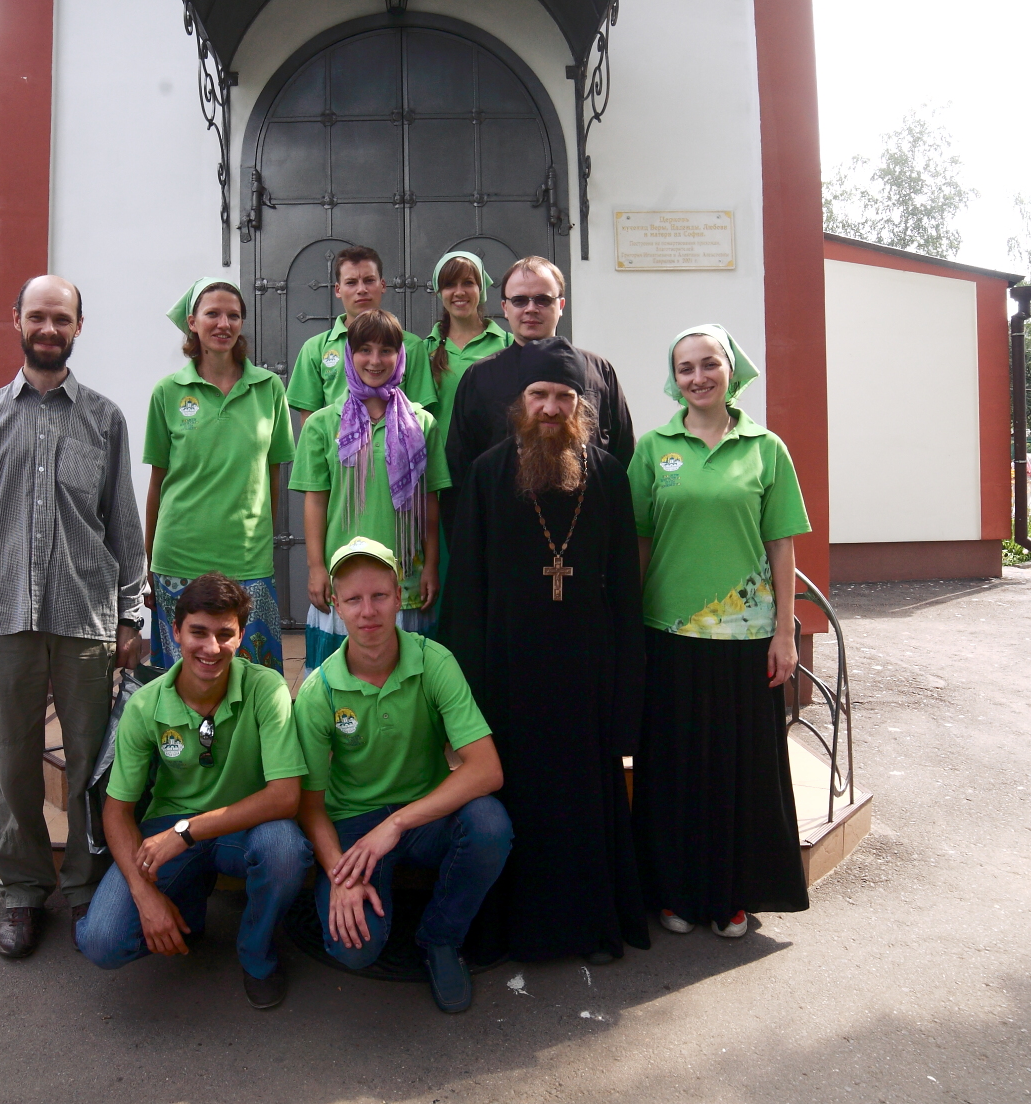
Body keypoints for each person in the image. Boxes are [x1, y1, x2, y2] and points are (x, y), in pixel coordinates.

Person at [0, 274, 146, 959]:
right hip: (2, 615)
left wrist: (130, 616)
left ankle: (85, 884)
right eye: (38, 316)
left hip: (84, 614)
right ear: (18, 321)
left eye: (61, 317)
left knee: (90, 760)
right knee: (13, 762)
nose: (49, 328)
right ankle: (24, 890)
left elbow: (123, 526)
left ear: (78, 326)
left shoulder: (105, 419)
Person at [440, 342, 649, 963]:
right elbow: (466, 588)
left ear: (581, 406)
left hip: (586, 672)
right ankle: (509, 930)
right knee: (515, 800)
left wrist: (626, 698)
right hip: (508, 672)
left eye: (564, 396)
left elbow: (625, 589)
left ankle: (587, 928)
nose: (551, 407)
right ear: (521, 403)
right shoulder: (487, 474)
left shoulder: (606, 474)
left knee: (581, 804)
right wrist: (461, 701)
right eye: (539, 395)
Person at [628, 325, 811, 939]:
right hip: (668, 632)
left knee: (741, 770)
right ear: (674, 377)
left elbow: (781, 545)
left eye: (709, 364)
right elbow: (638, 543)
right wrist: (629, 626)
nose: (698, 377)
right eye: (685, 368)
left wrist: (784, 633)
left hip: (746, 637)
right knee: (673, 768)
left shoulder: (766, 448)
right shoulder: (654, 448)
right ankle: (674, 892)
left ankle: (734, 894)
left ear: (731, 370)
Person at [76, 573, 314, 1009]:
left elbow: (285, 797)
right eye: (198, 632)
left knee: (285, 848)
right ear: (175, 631)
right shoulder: (145, 705)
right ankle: (184, 906)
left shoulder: (266, 688)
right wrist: (145, 895)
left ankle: (256, 951)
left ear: (241, 636)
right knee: (102, 941)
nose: (211, 647)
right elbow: (116, 811)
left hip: (243, 824)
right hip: (169, 825)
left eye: (225, 634)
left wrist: (187, 832)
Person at [294, 538, 512, 1013]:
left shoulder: (435, 662)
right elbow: (309, 805)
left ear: (399, 597)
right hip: (353, 824)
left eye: (379, 596)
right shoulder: (319, 690)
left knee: (490, 824)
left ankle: (440, 938)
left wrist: (396, 823)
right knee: (354, 949)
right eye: (353, 599)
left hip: (423, 814)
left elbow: (487, 769)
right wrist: (338, 873)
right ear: (336, 606)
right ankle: (349, 902)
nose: (367, 611)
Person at [144, 278, 296, 673]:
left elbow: (272, 478)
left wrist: (258, 538)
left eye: (233, 315)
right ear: (192, 322)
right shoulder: (167, 392)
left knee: (252, 679)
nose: (223, 323)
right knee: (187, 680)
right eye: (212, 314)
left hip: (247, 561)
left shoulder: (269, 389)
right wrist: (149, 561)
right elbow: (158, 483)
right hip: (179, 558)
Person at [290, 309, 449, 672]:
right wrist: (316, 568)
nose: (375, 360)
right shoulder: (321, 424)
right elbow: (315, 502)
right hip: (343, 574)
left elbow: (430, 502)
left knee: (406, 678)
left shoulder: (422, 423)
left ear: (400, 356)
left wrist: (432, 566)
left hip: (405, 580)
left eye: (386, 350)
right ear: (350, 354)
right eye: (364, 349)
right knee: (339, 680)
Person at [442, 256, 634, 535]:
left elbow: (621, 455)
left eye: (543, 299)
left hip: (586, 530)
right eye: (520, 300)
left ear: (561, 305)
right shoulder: (479, 377)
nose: (531, 308)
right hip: (504, 534)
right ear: (505, 308)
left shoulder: (599, 371)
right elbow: (460, 470)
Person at [285, 245, 436, 421]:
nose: (361, 289)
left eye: (369, 280)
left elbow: (420, 416)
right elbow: (309, 420)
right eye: (351, 282)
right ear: (338, 290)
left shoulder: (410, 345)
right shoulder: (315, 348)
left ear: (383, 285)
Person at [424, 251, 512, 448]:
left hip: (493, 460)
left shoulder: (508, 344)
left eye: (468, 283)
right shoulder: (424, 350)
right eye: (449, 285)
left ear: (481, 289)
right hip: (440, 463)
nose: (459, 292)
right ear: (439, 291)